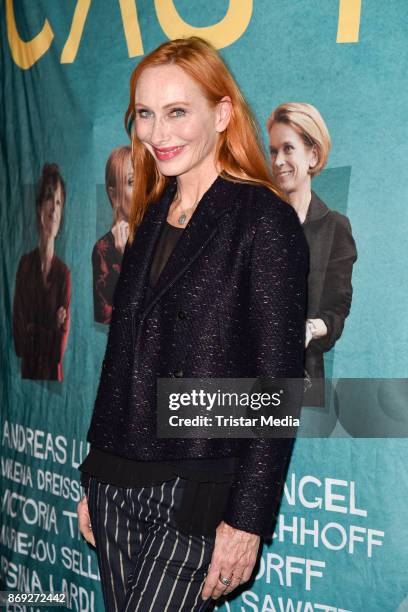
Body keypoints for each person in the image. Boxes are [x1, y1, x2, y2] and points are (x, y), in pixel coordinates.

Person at [77, 37, 308, 611]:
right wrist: (94, 473)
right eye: (146, 114)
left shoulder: (264, 220)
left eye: (178, 112)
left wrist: (247, 519)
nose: (158, 134)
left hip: (194, 493)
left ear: (222, 113)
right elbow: (120, 357)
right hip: (114, 484)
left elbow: (277, 384)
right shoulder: (151, 214)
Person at [267, 102, 357, 407]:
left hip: (301, 384)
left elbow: (337, 310)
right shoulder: (257, 224)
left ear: (313, 155)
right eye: (273, 151)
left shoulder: (335, 228)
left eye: (288, 149)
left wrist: (309, 328)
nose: (278, 161)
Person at [13, 163, 71, 381]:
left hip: (54, 381)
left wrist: (34, 328)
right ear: (39, 208)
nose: (54, 209)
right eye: (49, 199)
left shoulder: (64, 274)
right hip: (27, 379)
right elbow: (19, 343)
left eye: (58, 202)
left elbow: (57, 352)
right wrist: (51, 327)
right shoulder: (25, 266)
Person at [92, 145, 134, 324]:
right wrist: (124, 256)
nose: (141, 189)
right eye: (132, 182)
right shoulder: (103, 249)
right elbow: (106, 316)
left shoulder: (159, 234)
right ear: (114, 194)